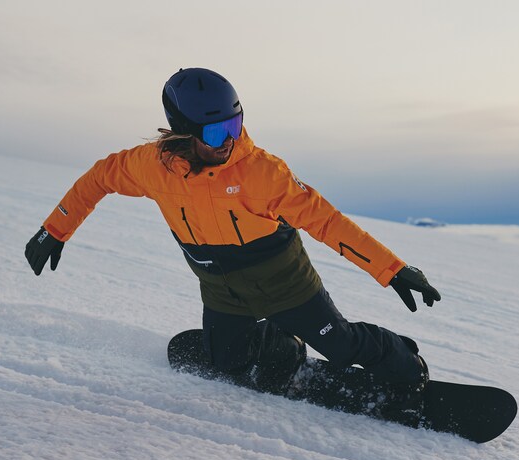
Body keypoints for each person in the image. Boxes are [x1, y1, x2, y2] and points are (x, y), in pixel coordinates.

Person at [25, 67, 441, 417]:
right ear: (185, 132)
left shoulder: (262, 173)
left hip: (285, 284)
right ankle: (283, 348)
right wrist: (55, 229)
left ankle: (407, 365)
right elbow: (99, 178)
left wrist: (393, 270)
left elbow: (326, 222)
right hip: (222, 290)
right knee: (227, 362)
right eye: (217, 130)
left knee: (341, 345)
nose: (229, 139)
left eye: (235, 124)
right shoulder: (152, 168)